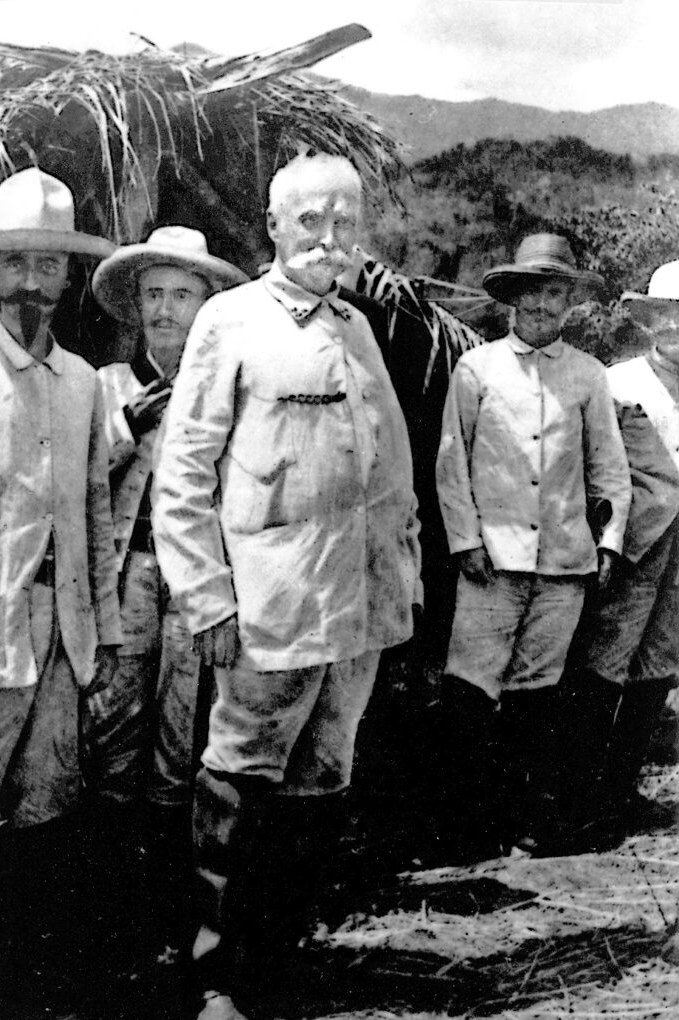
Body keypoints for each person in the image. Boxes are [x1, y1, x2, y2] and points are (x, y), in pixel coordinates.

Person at [151, 152, 422, 1020]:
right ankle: (216, 978)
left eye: (346, 222)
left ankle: (280, 960)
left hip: (360, 610)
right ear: (274, 226)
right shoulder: (229, 321)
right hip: (268, 608)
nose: (330, 239)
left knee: (322, 785)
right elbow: (184, 474)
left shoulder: (359, 328)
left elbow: (394, 476)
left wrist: (402, 583)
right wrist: (209, 601)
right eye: (311, 220)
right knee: (239, 781)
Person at [0, 167, 122, 1020]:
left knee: (47, 805)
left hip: (61, 632)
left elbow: (97, 518)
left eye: (50, 266)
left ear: (69, 277)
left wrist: (102, 633)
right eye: (16, 265)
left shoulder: (81, 383)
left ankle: (28, 984)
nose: (32, 282)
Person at [435, 233, 632, 859]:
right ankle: (463, 828)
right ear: (512, 297)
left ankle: (520, 819)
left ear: (570, 302)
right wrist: (465, 540)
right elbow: (451, 462)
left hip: (563, 563)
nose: (543, 304)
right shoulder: (478, 369)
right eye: (532, 291)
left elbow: (609, 468)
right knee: (471, 688)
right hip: (490, 560)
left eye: (556, 292)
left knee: (536, 692)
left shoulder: (587, 375)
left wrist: (608, 545)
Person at [87, 228, 246, 966]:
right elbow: (80, 478)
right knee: (115, 727)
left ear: (207, 306)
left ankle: (173, 919)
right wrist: (133, 424)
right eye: (153, 295)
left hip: (197, 584)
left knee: (183, 738)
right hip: (128, 577)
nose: (165, 311)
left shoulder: (229, 386)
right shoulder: (108, 388)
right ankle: (115, 915)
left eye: (181, 296)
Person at [563, 260, 679, 845]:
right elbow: (595, 469)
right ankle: (579, 794)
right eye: (666, 317)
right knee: (609, 652)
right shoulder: (620, 382)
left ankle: (619, 787)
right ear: (649, 320)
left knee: (661, 658)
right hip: (633, 543)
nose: (676, 329)